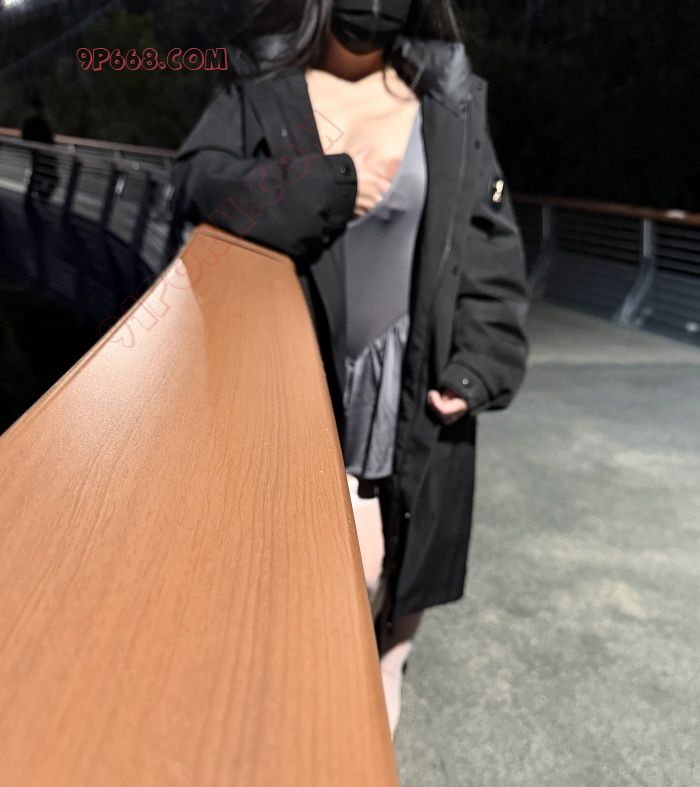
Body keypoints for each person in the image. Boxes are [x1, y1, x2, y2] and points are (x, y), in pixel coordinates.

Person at [172, 0, 529, 737]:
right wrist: (313, 186)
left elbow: (487, 240)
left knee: (394, 603)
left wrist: (478, 366)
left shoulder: (450, 98)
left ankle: (372, 703)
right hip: (294, 375)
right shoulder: (261, 85)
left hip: (415, 384)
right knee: (331, 581)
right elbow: (199, 182)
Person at [22, 94, 58, 206]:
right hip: (37, 154)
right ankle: (32, 199)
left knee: (51, 177)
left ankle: (40, 196)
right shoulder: (31, 122)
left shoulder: (42, 122)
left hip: (46, 155)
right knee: (37, 176)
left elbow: (50, 140)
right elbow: (26, 138)